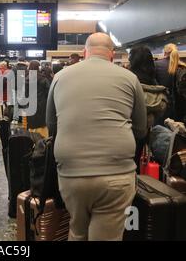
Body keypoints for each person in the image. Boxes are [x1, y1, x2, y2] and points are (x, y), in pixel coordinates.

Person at [46, 33, 147, 241]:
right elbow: (140, 129)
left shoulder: (60, 77)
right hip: (116, 174)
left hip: (71, 173)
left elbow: (52, 126)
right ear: (112, 55)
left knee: (77, 230)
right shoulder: (130, 78)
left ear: (84, 53)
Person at [155, 43, 186, 123]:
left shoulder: (157, 64)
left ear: (165, 53)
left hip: (162, 104)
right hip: (180, 108)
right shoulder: (183, 67)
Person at [25, 60, 51, 138]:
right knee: (42, 127)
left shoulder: (26, 79)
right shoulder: (44, 79)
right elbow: (48, 93)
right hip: (42, 105)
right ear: (38, 68)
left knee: (31, 126)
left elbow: (25, 95)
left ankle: (32, 142)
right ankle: (43, 145)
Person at [11, 57, 28, 125]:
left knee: (16, 103)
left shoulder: (14, 68)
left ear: (18, 61)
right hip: (24, 87)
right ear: (24, 61)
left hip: (15, 87)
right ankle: (25, 119)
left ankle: (15, 119)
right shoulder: (27, 68)